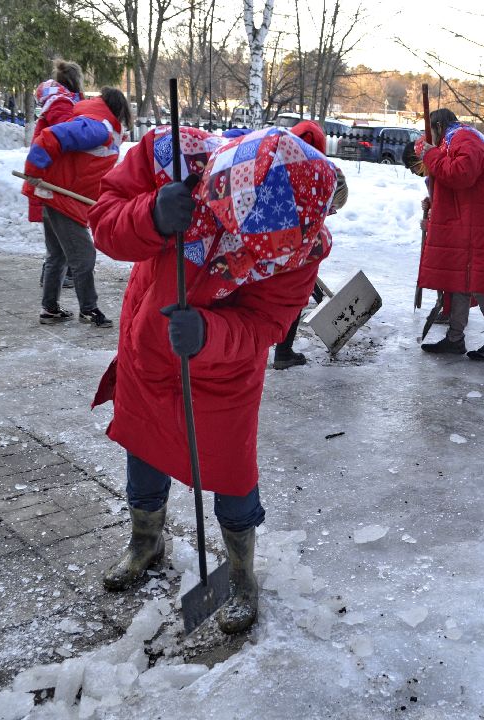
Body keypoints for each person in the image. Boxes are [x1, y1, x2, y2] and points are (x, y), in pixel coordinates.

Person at [87, 126, 335, 634]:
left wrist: (209, 332)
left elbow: (267, 323)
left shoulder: (302, 246)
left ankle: (241, 576)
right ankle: (145, 542)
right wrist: (152, 214)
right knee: (143, 447)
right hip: (149, 350)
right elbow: (104, 223)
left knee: (231, 472)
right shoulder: (171, 158)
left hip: (225, 375)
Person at [24, 87, 130, 328]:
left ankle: (50, 309)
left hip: (60, 196)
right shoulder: (97, 127)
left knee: (58, 255)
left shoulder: (99, 126)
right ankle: (89, 309)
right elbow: (49, 137)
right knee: (84, 256)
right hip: (62, 199)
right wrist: (34, 170)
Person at [414, 108, 484, 361]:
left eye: (430, 132)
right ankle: (455, 338)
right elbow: (456, 181)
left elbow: (461, 174)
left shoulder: (464, 137)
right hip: (470, 219)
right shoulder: (457, 139)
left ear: (438, 126)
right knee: (462, 277)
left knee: (481, 279)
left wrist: (431, 154)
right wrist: (436, 199)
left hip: (480, 221)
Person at [272, 119, 347, 370]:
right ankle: (283, 352)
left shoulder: (281, 159)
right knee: (295, 294)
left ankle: (276, 348)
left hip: (270, 240)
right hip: (291, 242)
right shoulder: (316, 173)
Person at [26, 60, 83, 290]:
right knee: (63, 231)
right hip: (55, 177)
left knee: (59, 233)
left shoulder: (62, 102)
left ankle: (56, 279)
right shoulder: (62, 104)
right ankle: (57, 278)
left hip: (54, 176)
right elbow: (66, 137)